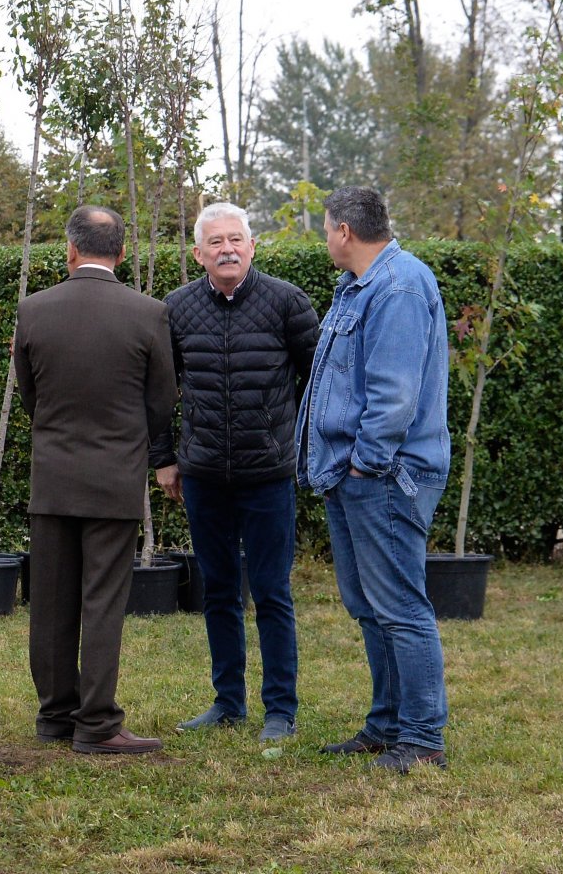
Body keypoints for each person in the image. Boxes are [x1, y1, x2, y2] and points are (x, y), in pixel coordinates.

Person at [300, 186, 452, 773]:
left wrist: (365, 461)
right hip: (354, 474)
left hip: (385, 475)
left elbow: (394, 395)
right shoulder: (359, 286)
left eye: (326, 228)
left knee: (400, 607)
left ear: (343, 231)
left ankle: (421, 739)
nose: (325, 238)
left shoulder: (400, 286)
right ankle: (387, 726)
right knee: (369, 605)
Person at [15, 205, 175, 755]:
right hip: (115, 480)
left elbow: (31, 397)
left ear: (71, 250)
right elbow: (162, 401)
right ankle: (98, 724)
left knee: (52, 600)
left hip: (53, 477)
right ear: (123, 253)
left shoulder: (33, 310)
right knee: (102, 601)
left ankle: (55, 716)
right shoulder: (148, 313)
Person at [158, 202, 320, 742]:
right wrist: (163, 459)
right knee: (219, 590)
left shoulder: (286, 303)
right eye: (216, 242)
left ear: (252, 247)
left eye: (236, 239)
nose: (227, 249)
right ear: (198, 253)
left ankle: (281, 709)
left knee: (272, 591)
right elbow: (158, 393)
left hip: (268, 474)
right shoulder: (175, 310)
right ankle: (228, 702)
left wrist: (300, 446)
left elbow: (316, 380)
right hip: (203, 474)